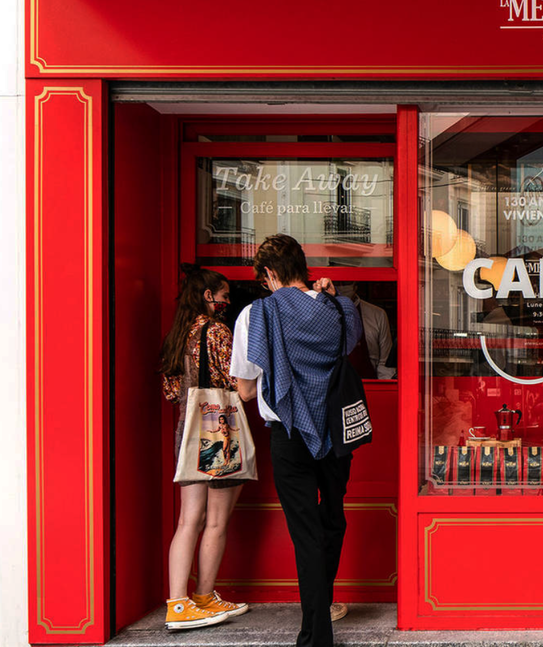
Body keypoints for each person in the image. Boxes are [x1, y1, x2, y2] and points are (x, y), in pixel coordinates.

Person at [231, 235, 361, 647]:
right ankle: (318, 614)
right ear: (302, 266)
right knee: (333, 519)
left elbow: (248, 391)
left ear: (269, 274)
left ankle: (315, 636)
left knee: (305, 531)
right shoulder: (340, 309)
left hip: (289, 431)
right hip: (336, 429)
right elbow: (350, 347)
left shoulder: (258, 315)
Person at [158, 264, 250, 630]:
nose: (227, 301)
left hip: (188, 430)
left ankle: (177, 604)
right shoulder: (217, 331)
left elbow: (170, 392)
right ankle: (204, 596)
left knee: (187, 519)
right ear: (208, 296)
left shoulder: (177, 335)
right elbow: (236, 380)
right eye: (224, 295)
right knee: (216, 520)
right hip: (219, 431)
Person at [334, 282, 394, 379]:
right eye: (338, 283)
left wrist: (385, 389)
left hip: (370, 385)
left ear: (355, 286)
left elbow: (385, 362)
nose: (342, 287)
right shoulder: (323, 312)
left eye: (346, 283)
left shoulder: (377, 314)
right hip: (334, 387)